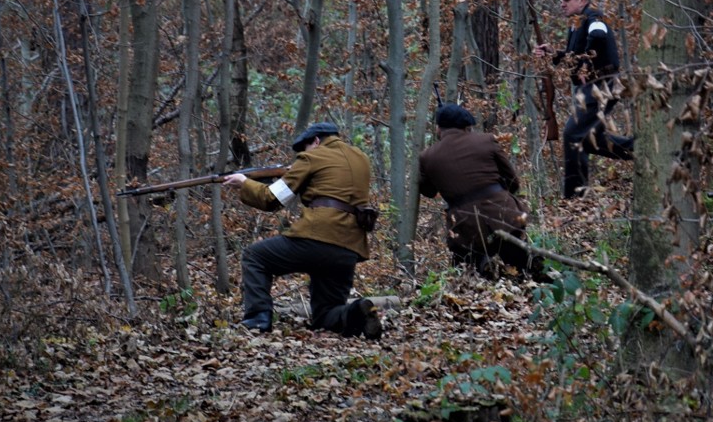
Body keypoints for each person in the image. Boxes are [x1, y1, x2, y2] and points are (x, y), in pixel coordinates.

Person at [222, 122, 382, 339]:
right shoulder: (361, 158)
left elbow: (273, 199)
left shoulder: (311, 158)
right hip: (349, 247)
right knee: (326, 314)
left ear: (315, 141)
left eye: (304, 148)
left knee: (255, 256)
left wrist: (244, 182)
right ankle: (356, 311)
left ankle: (257, 319)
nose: (303, 154)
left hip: (317, 237)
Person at [418, 103, 546, 281]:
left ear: (438, 128)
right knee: (519, 257)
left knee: (466, 261)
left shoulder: (427, 156)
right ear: (467, 126)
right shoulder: (486, 140)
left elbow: (428, 191)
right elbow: (513, 180)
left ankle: (482, 267)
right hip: (504, 215)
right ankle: (532, 270)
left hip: (465, 228)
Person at [534, 0, 634, 199]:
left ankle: (574, 199)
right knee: (588, 139)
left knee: (572, 134)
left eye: (567, 0)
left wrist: (588, 62)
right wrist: (554, 53)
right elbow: (574, 57)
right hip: (593, 88)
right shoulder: (577, 22)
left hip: (603, 85)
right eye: (562, 0)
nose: (562, 4)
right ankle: (641, 151)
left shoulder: (594, 17)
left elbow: (597, 35)